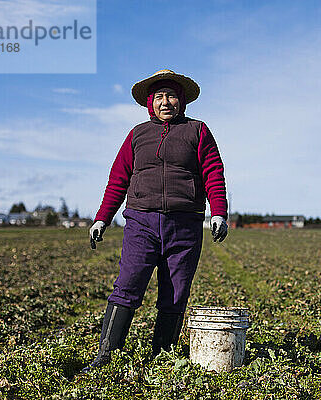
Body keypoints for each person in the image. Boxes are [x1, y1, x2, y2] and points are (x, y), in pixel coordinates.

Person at [84, 69, 229, 371]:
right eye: (160, 96)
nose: (166, 102)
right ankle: (106, 357)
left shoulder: (198, 131)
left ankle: (161, 357)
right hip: (141, 222)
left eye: (172, 95)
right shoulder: (137, 134)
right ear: (150, 102)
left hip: (185, 225)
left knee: (175, 292)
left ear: (182, 101)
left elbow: (214, 174)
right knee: (128, 284)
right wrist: (102, 218)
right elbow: (118, 179)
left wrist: (218, 212)